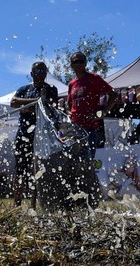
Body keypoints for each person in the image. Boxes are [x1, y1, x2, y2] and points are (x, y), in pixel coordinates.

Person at [9, 61, 61, 205]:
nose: (40, 74)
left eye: (43, 71)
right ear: (31, 74)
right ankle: (17, 201)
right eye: (37, 71)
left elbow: (49, 107)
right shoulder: (24, 89)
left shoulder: (51, 89)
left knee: (37, 169)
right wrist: (36, 101)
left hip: (42, 136)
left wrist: (26, 107)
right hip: (24, 134)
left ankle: (34, 203)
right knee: (20, 168)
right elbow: (13, 102)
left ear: (46, 74)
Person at [66, 52, 118, 153]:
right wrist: (69, 114)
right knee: (73, 161)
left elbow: (114, 95)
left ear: (85, 63)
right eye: (75, 62)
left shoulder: (94, 79)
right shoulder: (71, 84)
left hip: (90, 127)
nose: (78, 64)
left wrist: (103, 113)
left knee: (88, 161)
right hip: (75, 128)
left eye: (81, 61)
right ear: (71, 65)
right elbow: (68, 104)